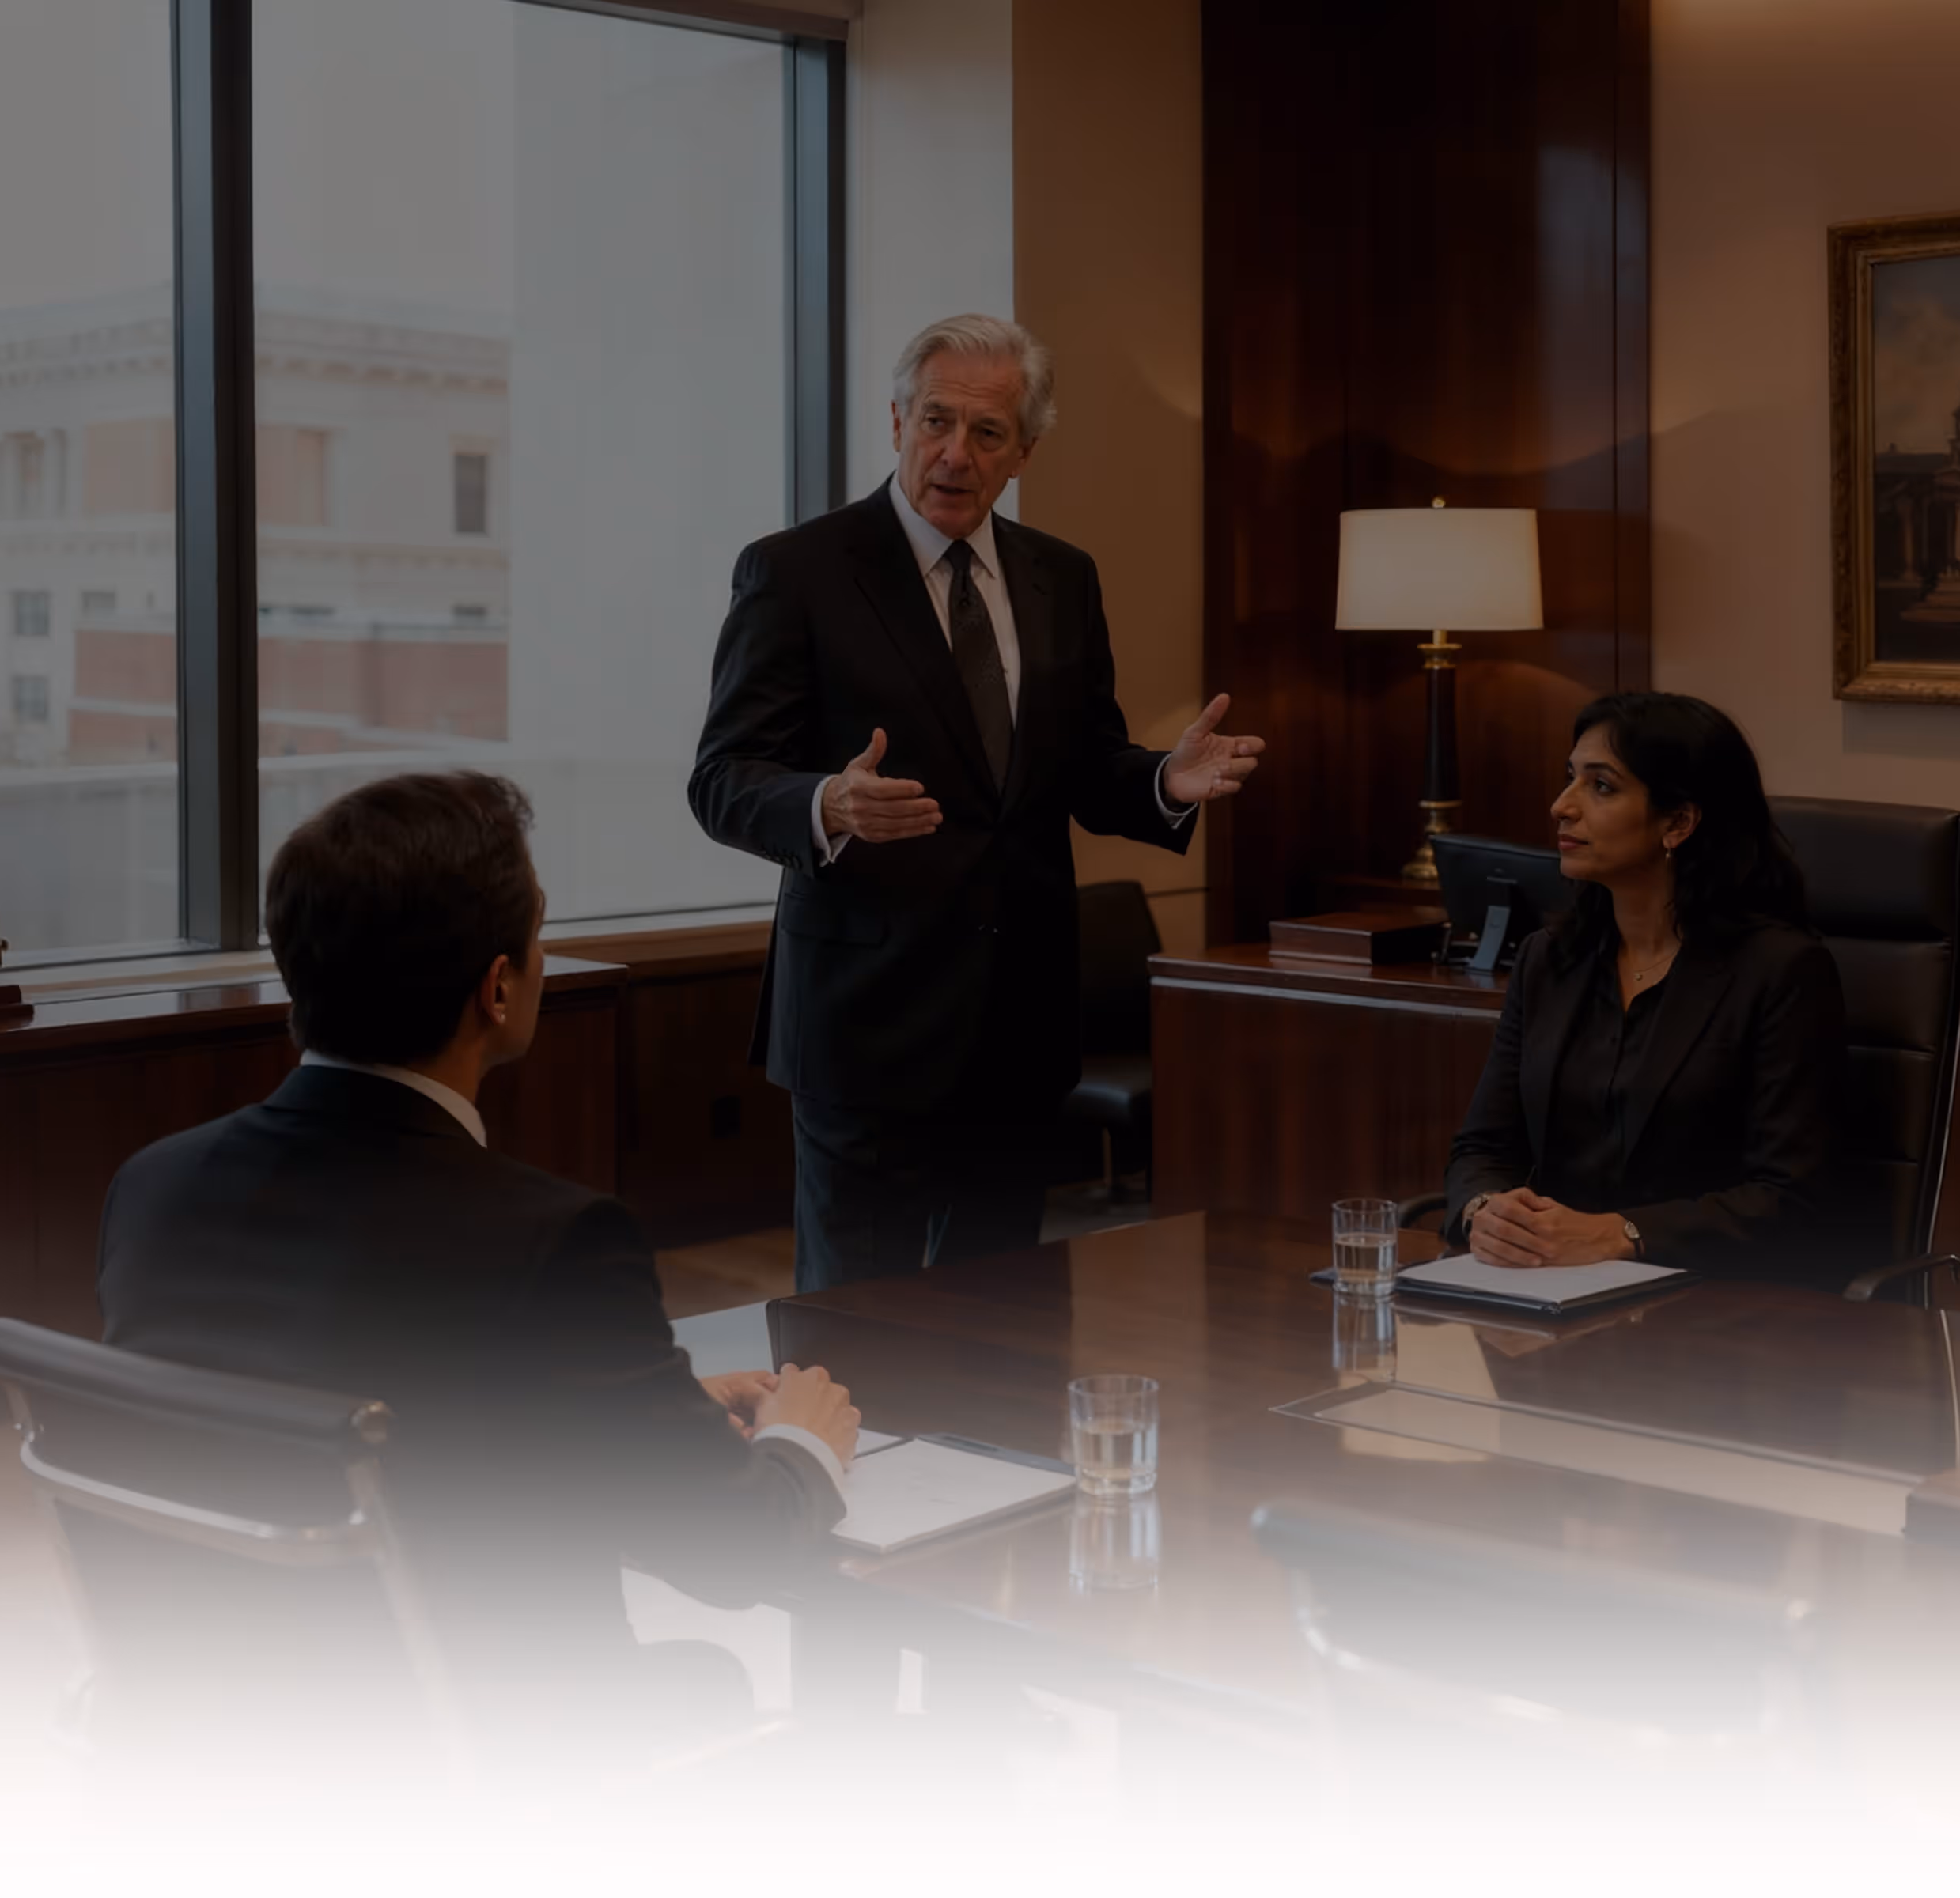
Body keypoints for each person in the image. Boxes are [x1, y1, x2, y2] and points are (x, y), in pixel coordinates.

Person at [96, 769, 860, 1724]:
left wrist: (628, 1403)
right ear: (499, 987)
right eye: (539, 935)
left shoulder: (155, 1189)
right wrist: (800, 1443)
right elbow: (732, 1552)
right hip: (473, 1751)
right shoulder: (552, 1245)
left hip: (226, 1728)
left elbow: (332, 1384)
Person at [689, 313, 1264, 1289]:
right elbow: (723, 778)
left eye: (987, 433)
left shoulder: (1061, 579)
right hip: (865, 1026)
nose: (956, 453)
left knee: (1006, 1321)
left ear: (1023, 451)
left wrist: (1163, 780)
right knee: (856, 1328)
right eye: (936, 422)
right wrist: (828, 803)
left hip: (1020, 1021)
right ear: (898, 422)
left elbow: (1083, 765)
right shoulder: (797, 572)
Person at [1442, 692, 1849, 1282]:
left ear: (1679, 822)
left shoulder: (1781, 970)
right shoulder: (1548, 960)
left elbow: (1792, 1196)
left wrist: (1622, 1234)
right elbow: (1483, 1148)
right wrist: (1486, 1213)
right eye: (1569, 779)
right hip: (1551, 1292)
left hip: (1715, 1311)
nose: (1562, 807)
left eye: (1601, 787)